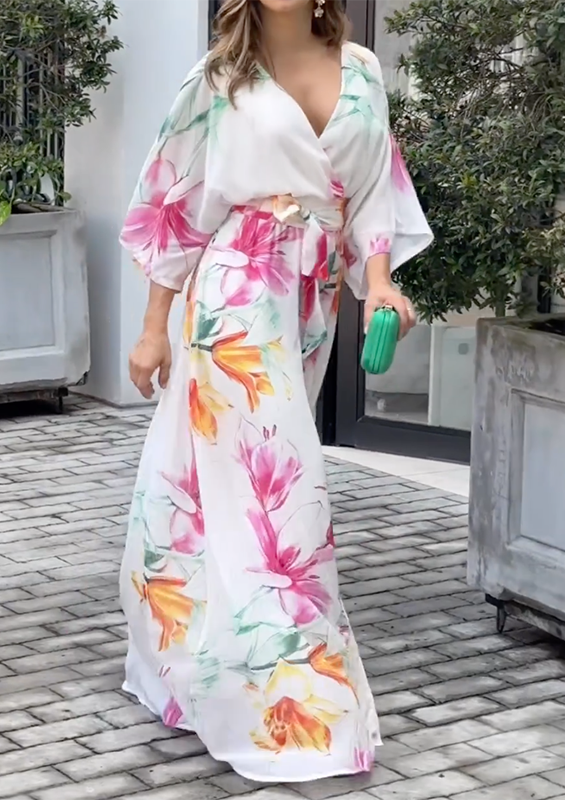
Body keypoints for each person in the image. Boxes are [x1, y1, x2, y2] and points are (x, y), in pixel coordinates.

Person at [119, 0, 432, 783]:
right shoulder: (219, 78)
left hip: (311, 305)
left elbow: (372, 195)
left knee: (232, 494)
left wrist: (380, 283)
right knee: (279, 495)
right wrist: (154, 329)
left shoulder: (362, 71)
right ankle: (298, 699)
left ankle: (199, 662)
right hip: (237, 294)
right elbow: (173, 205)